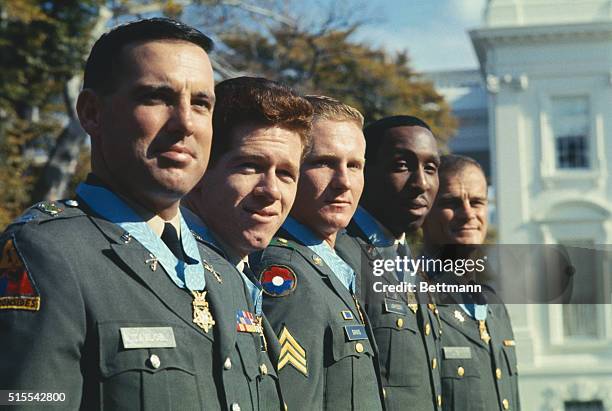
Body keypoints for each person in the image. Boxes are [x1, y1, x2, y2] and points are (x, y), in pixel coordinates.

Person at [0, 18, 282, 411]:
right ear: (92, 112)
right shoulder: (47, 253)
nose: (185, 123)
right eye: (157, 97)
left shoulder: (223, 271)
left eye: (201, 103)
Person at [182, 76, 313, 404]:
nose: (271, 191)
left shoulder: (239, 276)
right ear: (200, 170)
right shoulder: (167, 273)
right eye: (250, 166)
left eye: (286, 174)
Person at [253, 96, 385, 410]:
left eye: (354, 166)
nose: (343, 182)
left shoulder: (329, 265)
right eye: (324, 162)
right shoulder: (287, 276)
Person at [342, 115, 444, 410]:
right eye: (402, 166)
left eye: (431, 168)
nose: (421, 183)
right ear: (365, 171)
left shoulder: (412, 266)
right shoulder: (342, 256)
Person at [422, 154, 520, 411]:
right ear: (424, 210)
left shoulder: (494, 305)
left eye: (477, 202)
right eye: (451, 202)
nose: (468, 213)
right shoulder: (410, 298)